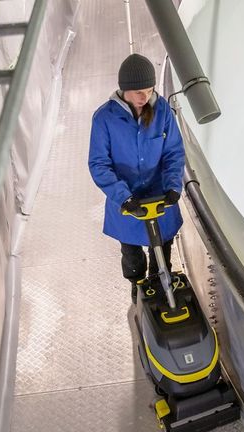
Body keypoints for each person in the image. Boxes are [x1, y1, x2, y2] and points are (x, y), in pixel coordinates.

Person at [88, 53, 186, 302]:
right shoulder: (104, 119)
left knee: (163, 248)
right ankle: (138, 284)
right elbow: (99, 164)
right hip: (126, 202)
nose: (145, 97)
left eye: (150, 90)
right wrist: (124, 198)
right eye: (139, 92)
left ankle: (159, 282)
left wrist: (173, 187)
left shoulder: (162, 110)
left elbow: (173, 152)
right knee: (131, 253)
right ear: (124, 90)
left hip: (159, 196)